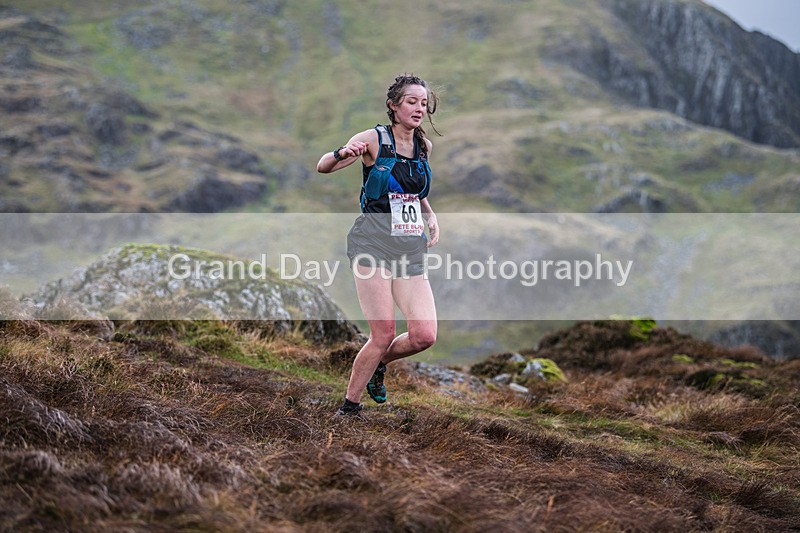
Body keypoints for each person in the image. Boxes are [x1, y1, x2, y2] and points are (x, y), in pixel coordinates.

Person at [316, 74, 441, 417]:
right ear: (394, 105)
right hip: (372, 244)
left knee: (424, 335)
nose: (419, 108)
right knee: (383, 333)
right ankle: (349, 408)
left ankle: (378, 365)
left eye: (423, 102)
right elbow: (324, 166)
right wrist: (344, 151)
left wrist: (430, 215)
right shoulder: (373, 139)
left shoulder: (423, 147)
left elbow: (415, 191)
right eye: (412, 101)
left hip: (409, 247)